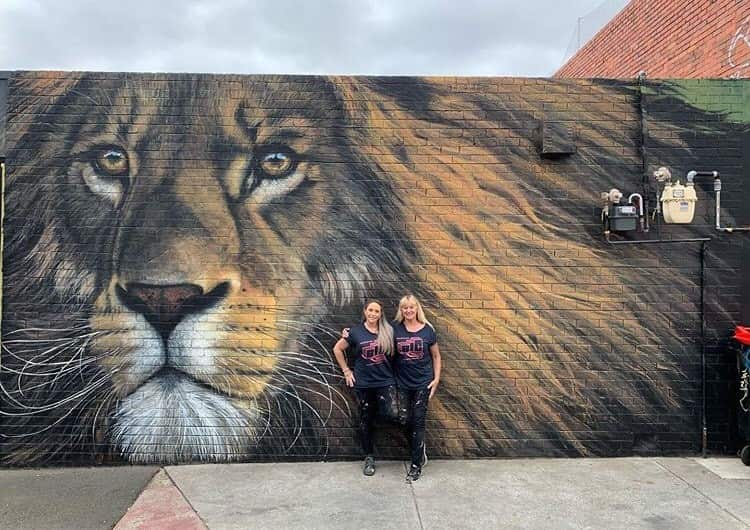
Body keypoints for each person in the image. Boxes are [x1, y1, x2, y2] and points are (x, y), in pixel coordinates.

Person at [332, 300, 398, 477]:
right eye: (370, 310)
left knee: (392, 414)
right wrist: (346, 371)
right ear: (365, 311)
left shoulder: (389, 331)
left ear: (380, 314)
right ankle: (369, 457)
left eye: (376, 311)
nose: (373, 314)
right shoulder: (355, 332)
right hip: (364, 383)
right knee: (365, 420)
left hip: (385, 381)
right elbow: (337, 349)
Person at [392, 294, 441, 482]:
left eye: (411, 307)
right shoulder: (396, 330)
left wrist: (436, 379)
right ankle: (419, 450)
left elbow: (436, 356)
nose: (408, 310)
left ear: (417, 308)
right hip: (402, 383)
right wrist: (348, 332)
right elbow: (374, 333)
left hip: (423, 383)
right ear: (401, 310)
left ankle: (416, 462)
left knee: (418, 422)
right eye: (405, 308)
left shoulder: (428, 331)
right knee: (404, 419)